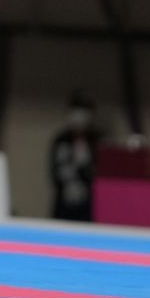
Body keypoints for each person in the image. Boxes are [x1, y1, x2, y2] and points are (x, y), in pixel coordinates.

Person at [49, 90, 99, 222]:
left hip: (87, 209)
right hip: (63, 206)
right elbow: (54, 171)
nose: (79, 116)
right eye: (76, 110)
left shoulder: (95, 141)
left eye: (84, 111)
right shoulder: (61, 140)